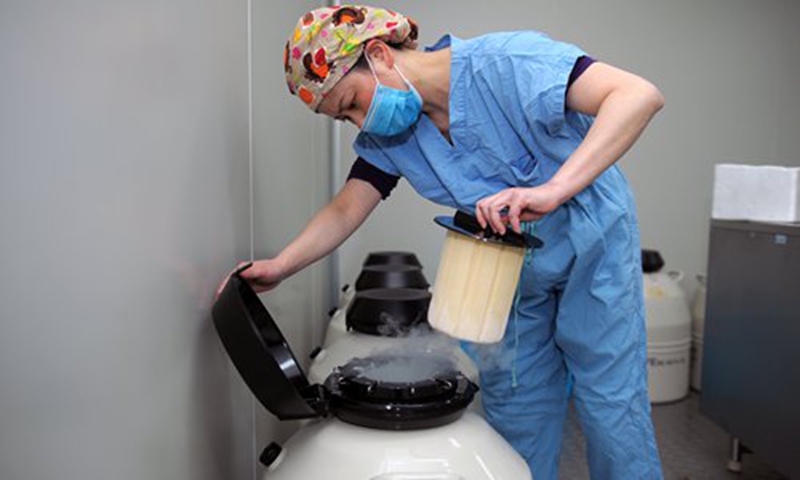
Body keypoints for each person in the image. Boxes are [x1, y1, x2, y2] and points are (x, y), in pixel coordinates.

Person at [219, 5, 665, 479]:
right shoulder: (391, 139)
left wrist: (554, 189)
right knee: (518, 405)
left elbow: (638, 95)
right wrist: (283, 265)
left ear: (378, 54)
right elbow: (347, 207)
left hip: (591, 247)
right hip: (505, 270)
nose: (358, 122)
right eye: (342, 118)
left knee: (611, 404)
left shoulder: (507, 63)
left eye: (351, 101)